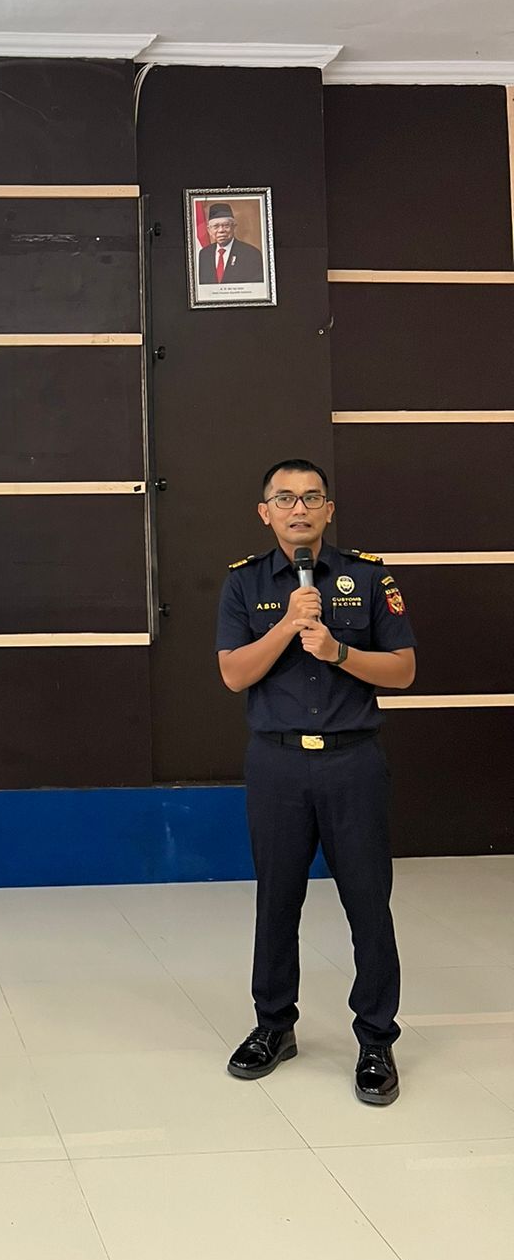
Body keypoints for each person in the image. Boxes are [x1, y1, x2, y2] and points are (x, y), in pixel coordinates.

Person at [215, 458, 417, 1105]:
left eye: (311, 498)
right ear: (265, 512)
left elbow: (404, 671)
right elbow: (234, 675)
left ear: (329, 509)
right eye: (284, 498)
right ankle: (274, 1026)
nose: (298, 508)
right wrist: (287, 624)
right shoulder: (243, 584)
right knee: (277, 900)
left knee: (368, 902)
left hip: (352, 762)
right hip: (276, 764)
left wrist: (339, 652)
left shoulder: (370, 577)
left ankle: (376, 1039)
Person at [197, 201, 264, 284]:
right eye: (216, 226)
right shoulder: (204, 254)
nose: (221, 230)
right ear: (209, 230)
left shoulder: (251, 254)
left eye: (226, 226)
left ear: (234, 227)